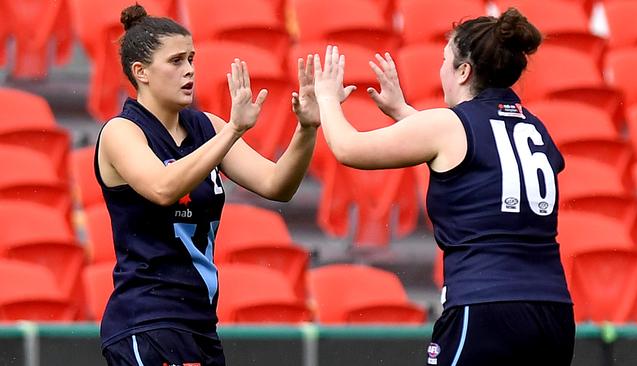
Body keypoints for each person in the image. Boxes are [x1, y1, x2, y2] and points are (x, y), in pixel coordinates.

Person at [312, 8, 575, 366]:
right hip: (553, 312)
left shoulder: (448, 125)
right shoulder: (535, 126)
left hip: (484, 308)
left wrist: (326, 98)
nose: (441, 71)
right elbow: (476, 151)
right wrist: (405, 112)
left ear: (464, 71)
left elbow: (347, 148)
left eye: (445, 61)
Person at [95, 4, 348, 365]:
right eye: (176, 61)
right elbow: (163, 188)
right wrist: (233, 129)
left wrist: (307, 128)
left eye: (192, 59)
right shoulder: (122, 132)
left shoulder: (206, 127)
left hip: (200, 324)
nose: (189, 71)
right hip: (147, 321)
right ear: (141, 72)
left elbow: (278, 185)